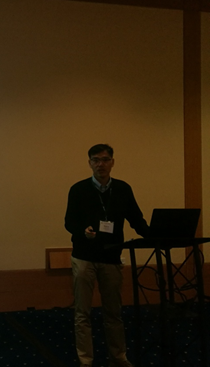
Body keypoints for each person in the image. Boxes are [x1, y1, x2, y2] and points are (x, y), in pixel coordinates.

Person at [65, 144, 149, 367]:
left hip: (111, 256)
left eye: (104, 159)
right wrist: (82, 231)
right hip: (84, 256)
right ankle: (86, 360)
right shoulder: (78, 189)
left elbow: (136, 219)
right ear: (89, 163)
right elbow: (69, 222)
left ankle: (118, 357)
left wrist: (154, 236)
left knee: (114, 312)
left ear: (112, 162)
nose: (100, 164)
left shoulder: (123, 189)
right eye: (95, 160)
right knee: (82, 312)